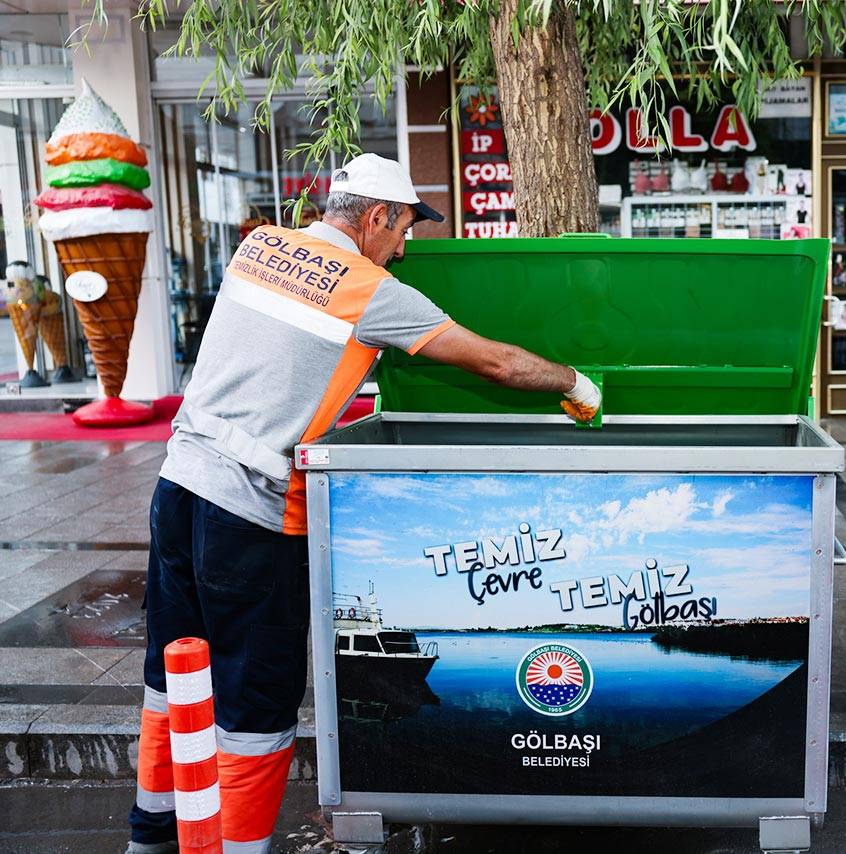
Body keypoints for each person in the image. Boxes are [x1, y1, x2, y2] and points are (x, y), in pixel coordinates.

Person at [126, 153, 601, 854]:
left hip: (177, 490)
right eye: (403, 228)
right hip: (252, 518)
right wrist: (578, 384)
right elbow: (496, 363)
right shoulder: (369, 288)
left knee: (172, 676)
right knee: (255, 702)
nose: (405, 248)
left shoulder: (259, 246)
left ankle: (149, 836)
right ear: (376, 217)